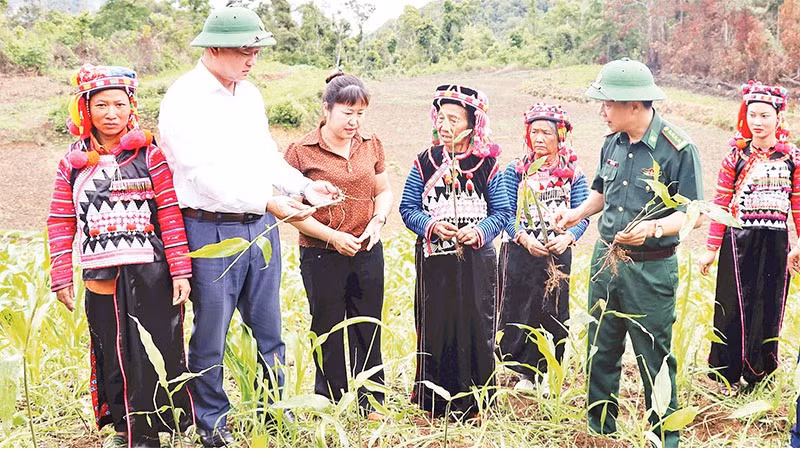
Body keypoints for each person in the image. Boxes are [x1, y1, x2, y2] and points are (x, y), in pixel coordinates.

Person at [157, 7, 339, 447]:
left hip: (261, 227)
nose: (252, 59)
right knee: (211, 332)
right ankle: (212, 424)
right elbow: (200, 176)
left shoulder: (250, 95)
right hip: (210, 228)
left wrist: (305, 187)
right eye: (244, 50)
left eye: (256, 51)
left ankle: (272, 412)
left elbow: (266, 156)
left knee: (269, 328)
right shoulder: (184, 99)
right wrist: (268, 201)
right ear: (214, 48)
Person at [556, 58, 703, 448]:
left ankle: (664, 437)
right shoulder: (612, 143)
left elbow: (692, 214)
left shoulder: (677, 148)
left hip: (650, 270)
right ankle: (599, 430)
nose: (602, 111)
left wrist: (653, 229)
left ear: (634, 105)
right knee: (600, 348)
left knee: (654, 356)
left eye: (608, 104)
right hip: (606, 262)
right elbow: (601, 193)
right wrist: (576, 214)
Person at [47, 64, 193, 448]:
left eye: (119, 105)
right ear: (85, 109)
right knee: (111, 349)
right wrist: (61, 274)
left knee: (154, 348)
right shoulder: (71, 162)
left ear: (132, 107)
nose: (111, 113)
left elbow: (169, 214)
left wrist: (180, 270)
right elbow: (61, 219)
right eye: (101, 106)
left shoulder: (151, 156)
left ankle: (160, 425)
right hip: (102, 272)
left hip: (150, 270)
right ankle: (123, 428)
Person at [283, 72, 393, 419]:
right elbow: (291, 211)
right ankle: (330, 398)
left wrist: (378, 221)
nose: (354, 121)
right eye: (347, 112)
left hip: (366, 249)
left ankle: (371, 400)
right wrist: (333, 237)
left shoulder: (371, 143)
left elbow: (383, 190)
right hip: (321, 254)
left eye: (360, 113)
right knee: (326, 326)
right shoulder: (301, 151)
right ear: (326, 109)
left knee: (367, 323)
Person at [399, 84, 512, 420]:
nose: (445, 125)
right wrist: (431, 226)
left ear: (472, 125)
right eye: (441, 118)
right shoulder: (425, 161)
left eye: (453, 119)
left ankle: (475, 402)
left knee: (476, 325)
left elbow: (502, 212)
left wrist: (478, 232)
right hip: (436, 261)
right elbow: (408, 208)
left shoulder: (486, 164)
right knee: (436, 325)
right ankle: (433, 402)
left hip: (477, 260)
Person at [699, 81, 800, 395]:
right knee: (731, 307)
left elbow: (798, 205)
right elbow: (720, 204)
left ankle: (759, 375)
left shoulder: (792, 158)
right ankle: (727, 376)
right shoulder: (735, 156)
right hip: (738, 239)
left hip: (775, 242)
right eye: (752, 114)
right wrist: (711, 248)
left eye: (764, 115)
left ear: (778, 118)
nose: (757, 122)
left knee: (769, 305)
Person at [496, 103, 589, 394]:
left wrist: (568, 237)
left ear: (560, 136)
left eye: (546, 133)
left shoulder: (573, 173)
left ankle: (550, 370)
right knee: (520, 309)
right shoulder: (515, 171)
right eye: (534, 131)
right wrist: (523, 238)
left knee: (553, 311)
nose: (538, 138)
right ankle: (525, 372)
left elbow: (583, 215)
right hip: (521, 253)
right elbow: (505, 212)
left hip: (556, 254)